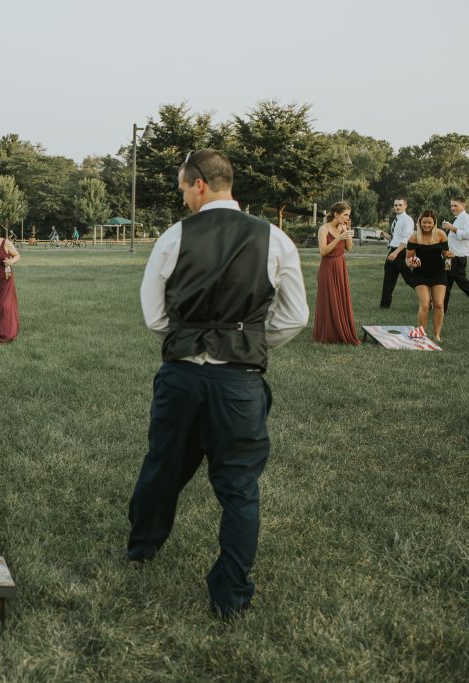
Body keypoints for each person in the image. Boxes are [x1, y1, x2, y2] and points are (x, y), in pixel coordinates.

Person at [129, 149, 308, 618]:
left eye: (183, 188)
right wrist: (247, 341)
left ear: (200, 184)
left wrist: (189, 340)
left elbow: (154, 316)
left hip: (183, 377)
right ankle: (231, 594)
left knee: (163, 465)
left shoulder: (174, 237)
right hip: (239, 383)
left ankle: (142, 547)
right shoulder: (275, 239)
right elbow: (294, 316)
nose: (183, 198)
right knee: (239, 487)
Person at [313, 201, 361, 345]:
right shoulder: (323, 229)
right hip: (327, 266)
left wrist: (347, 232)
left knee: (341, 297)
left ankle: (341, 330)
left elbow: (349, 248)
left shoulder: (343, 227)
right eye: (345, 215)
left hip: (340, 266)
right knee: (328, 298)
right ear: (336, 214)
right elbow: (323, 251)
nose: (347, 218)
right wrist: (338, 238)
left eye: (348, 215)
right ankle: (328, 333)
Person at [406, 209, 451, 341]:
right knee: (425, 304)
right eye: (424, 222)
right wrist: (410, 264)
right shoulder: (414, 237)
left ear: (434, 223)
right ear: (420, 222)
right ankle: (421, 333)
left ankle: (437, 335)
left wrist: (448, 259)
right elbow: (407, 258)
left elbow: (446, 255)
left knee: (439, 304)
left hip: (438, 273)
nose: (426, 225)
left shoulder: (441, 234)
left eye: (429, 223)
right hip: (420, 274)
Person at [380, 198, 416, 308]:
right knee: (388, 279)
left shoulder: (407, 220)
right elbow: (395, 238)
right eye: (396, 205)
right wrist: (384, 235)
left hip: (401, 253)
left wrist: (395, 253)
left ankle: (428, 299)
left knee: (410, 279)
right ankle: (384, 306)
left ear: (405, 206)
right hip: (393, 250)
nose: (398, 207)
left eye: (400, 205)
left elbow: (406, 239)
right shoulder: (396, 219)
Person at [441, 196, 469, 311]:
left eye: (455, 205)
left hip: (457, 259)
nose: (453, 208)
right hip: (449, 258)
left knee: (463, 284)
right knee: (446, 284)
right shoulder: (457, 218)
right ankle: (442, 309)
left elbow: (466, 235)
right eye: (451, 205)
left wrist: (452, 228)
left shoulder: (466, 218)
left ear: (463, 205)